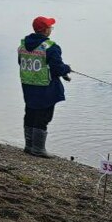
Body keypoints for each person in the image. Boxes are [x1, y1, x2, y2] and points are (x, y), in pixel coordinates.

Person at [19, 16, 71, 158]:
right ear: (46, 30)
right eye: (50, 27)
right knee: (43, 117)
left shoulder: (23, 45)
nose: (51, 29)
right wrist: (66, 69)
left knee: (30, 114)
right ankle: (38, 149)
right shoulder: (50, 46)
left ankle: (29, 146)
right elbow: (57, 68)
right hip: (46, 89)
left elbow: (21, 62)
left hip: (28, 87)